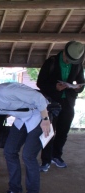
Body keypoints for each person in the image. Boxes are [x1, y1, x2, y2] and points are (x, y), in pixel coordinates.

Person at [37, 41, 85, 172]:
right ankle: (45, 160)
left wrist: (77, 88)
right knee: (48, 132)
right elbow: (40, 83)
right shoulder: (51, 62)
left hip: (68, 102)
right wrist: (54, 87)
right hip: (51, 102)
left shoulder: (78, 64)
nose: (69, 62)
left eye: (73, 61)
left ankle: (56, 156)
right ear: (64, 52)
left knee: (63, 131)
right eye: (67, 59)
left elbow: (81, 81)